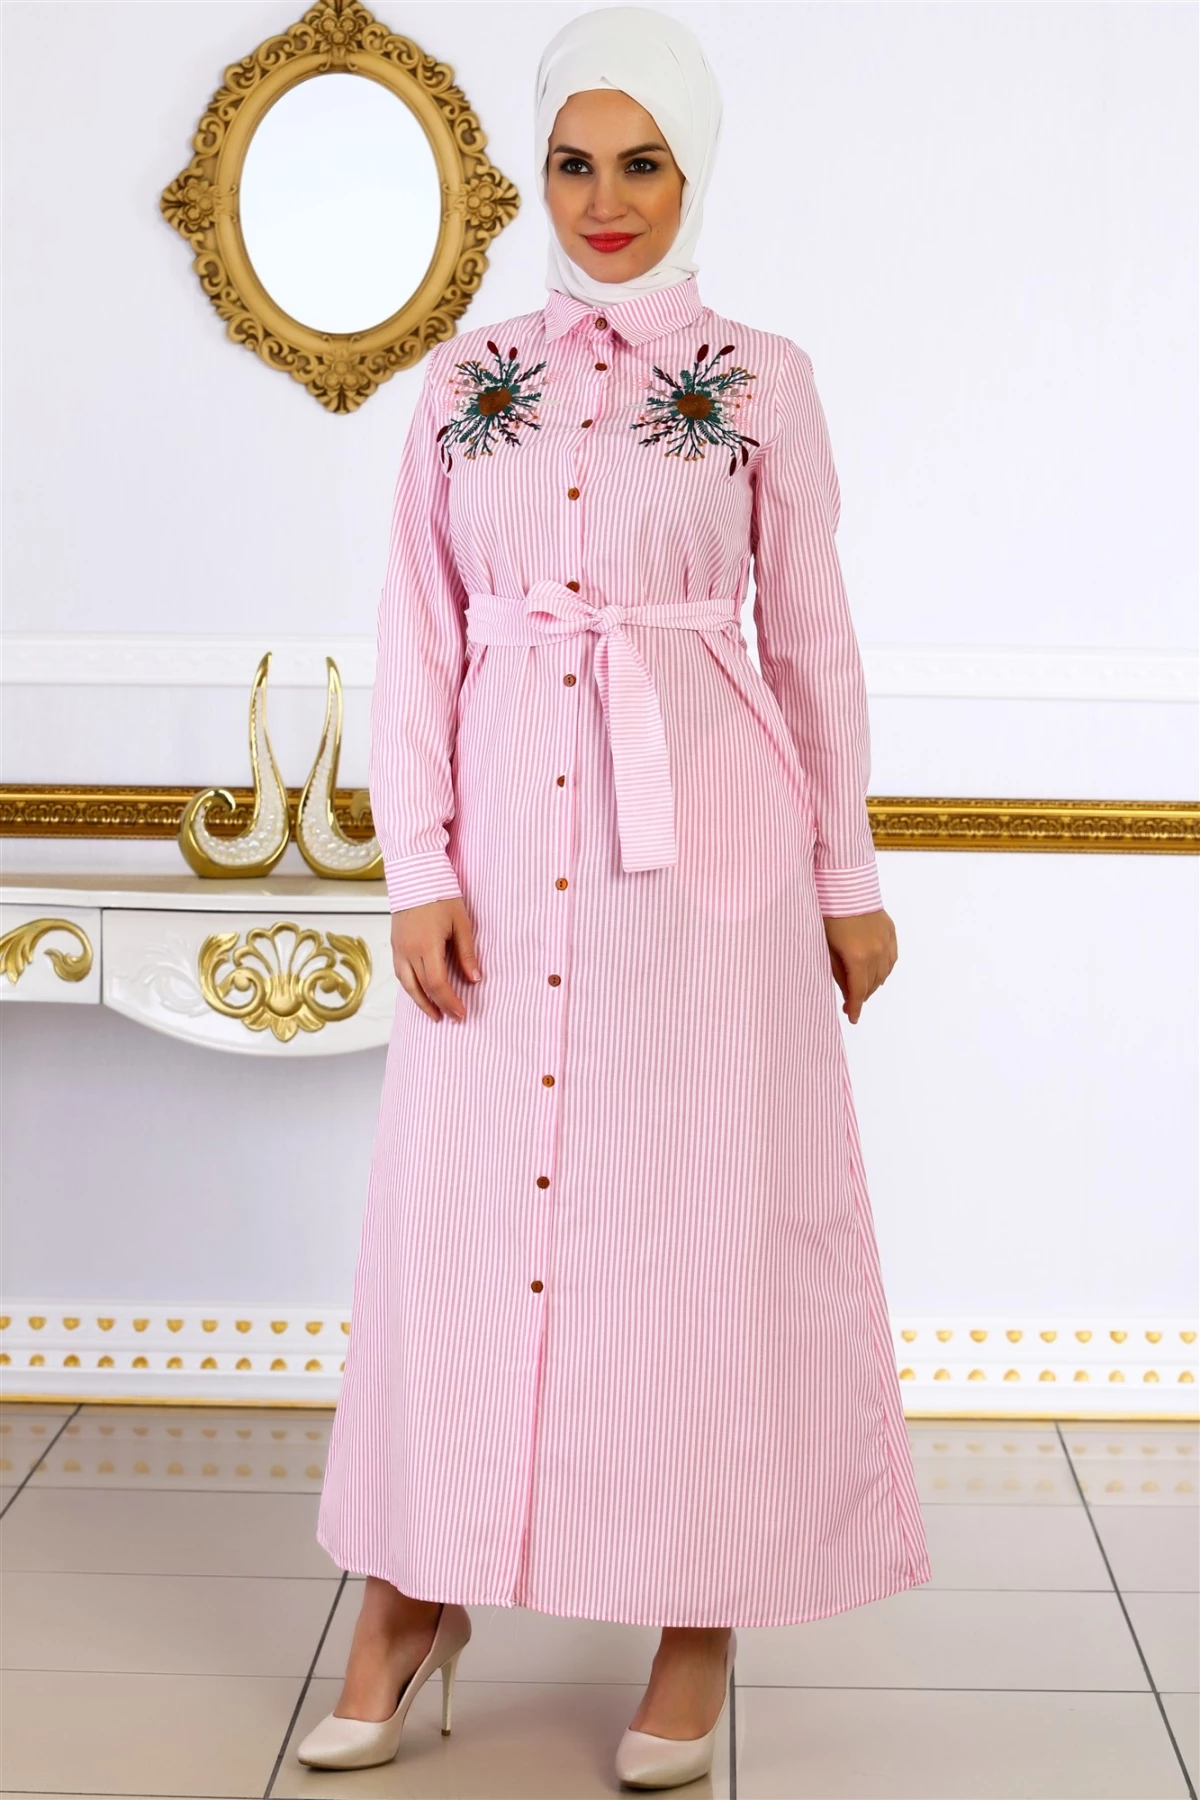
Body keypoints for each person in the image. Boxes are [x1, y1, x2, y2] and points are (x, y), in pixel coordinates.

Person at [301, 5, 932, 1787]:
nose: (605, 199)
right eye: (574, 164)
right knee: (460, 1226)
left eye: (641, 162)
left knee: (700, 1235)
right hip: (506, 859)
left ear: (692, 169)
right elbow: (419, 632)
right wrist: (419, 864)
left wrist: (847, 875)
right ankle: (409, 1602)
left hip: (707, 866)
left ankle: (696, 1615)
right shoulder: (463, 383)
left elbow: (810, 641)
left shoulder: (761, 379)